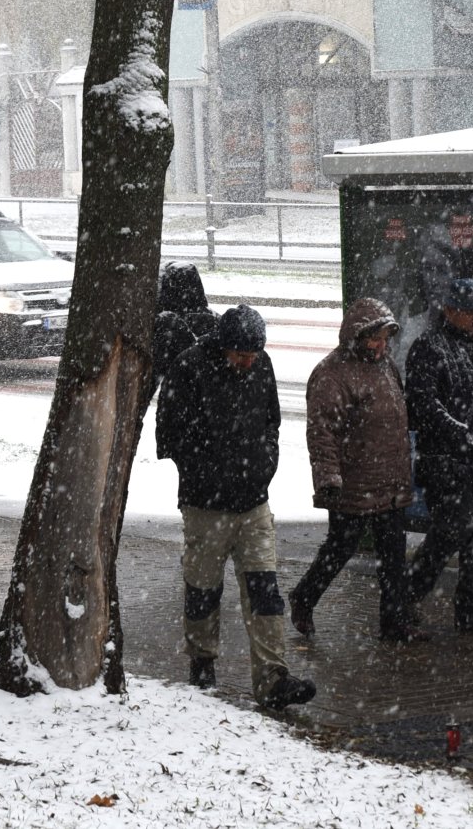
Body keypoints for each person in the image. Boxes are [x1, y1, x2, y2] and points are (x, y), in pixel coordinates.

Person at [155, 304, 316, 709]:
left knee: (265, 590)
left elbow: (271, 423)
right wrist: (210, 472)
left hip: (254, 503)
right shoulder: (189, 367)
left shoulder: (262, 366)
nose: (248, 362)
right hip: (205, 505)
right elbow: (170, 436)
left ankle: (272, 677)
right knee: (203, 588)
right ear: (224, 347)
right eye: (242, 356)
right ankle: (203, 662)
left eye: (254, 355)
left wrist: (263, 467)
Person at [291, 297, 421, 643]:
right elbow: (322, 432)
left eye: (384, 339)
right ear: (357, 336)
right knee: (339, 550)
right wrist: (328, 478)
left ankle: (394, 623)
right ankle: (304, 597)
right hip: (354, 483)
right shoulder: (332, 375)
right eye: (374, 338)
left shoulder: (385, 365)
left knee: (393, 556)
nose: (380, 346)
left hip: (390, 481)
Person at [405, 277, 473, 635]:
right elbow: (423, 403)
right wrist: (459, 433)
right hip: (446, 462)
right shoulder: (429, 347)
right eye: (470, 312)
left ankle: (472, 610)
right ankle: (407, 599)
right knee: (448, 534)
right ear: (449, 311)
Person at [152, 262, 220, 397]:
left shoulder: (165, 326)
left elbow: (152, 378)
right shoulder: (213, 319)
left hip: (184, 401)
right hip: (211, 400)